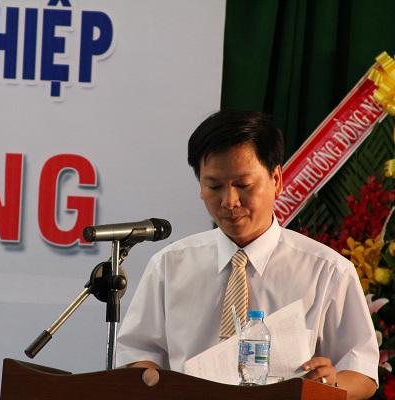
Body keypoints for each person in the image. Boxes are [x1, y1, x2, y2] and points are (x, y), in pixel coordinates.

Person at [115, 110, 379, 399]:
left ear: (276, 179)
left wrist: (328, 385)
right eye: (214, 186)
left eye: (243, 185)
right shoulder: (169, 265)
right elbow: (138, 352)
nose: (229, 201)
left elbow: (362, 372)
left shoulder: (327, 271)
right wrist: (150, 379)